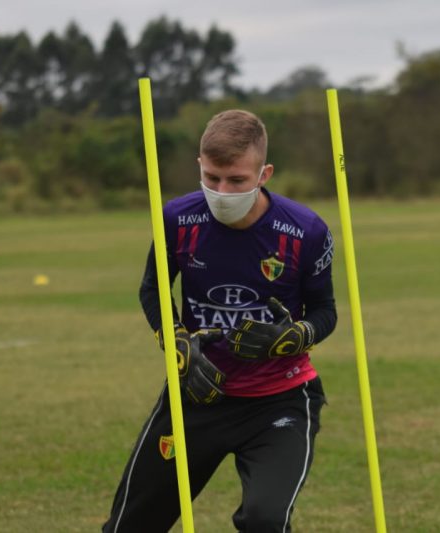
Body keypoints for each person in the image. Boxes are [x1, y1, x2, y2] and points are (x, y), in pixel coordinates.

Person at [102, 110, 337, 532]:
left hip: (279, 401)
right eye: (211, 177)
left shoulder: (305, 230)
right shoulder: (177, 219)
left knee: (264, 520)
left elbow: (325, 311)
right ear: (199, 165)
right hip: (198, 395)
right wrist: (174, 340)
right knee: (130, 526)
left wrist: (294, 336)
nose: (221, 191)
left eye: (236, 181)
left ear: (264, 173)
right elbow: (152, 289)